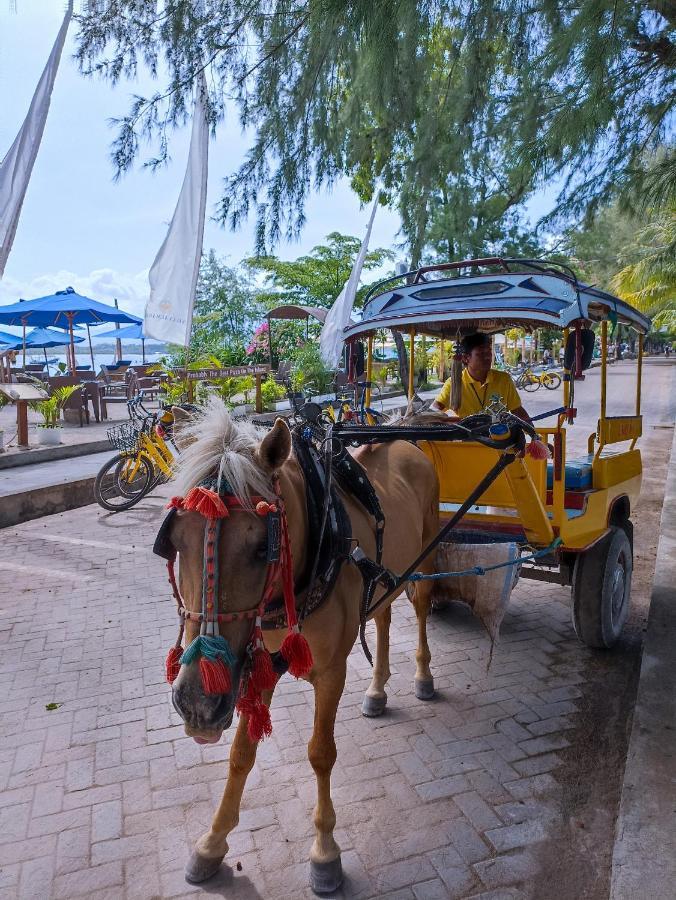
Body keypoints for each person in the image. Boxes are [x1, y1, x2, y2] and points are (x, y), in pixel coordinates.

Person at [432, 332, 530, 420]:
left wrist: (534, 435)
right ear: (466, 358)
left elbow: (517, 410)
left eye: (488, 352)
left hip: (498, 438)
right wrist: (449, 421)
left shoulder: (504, 379)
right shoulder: (454, 383)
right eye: (481, 353)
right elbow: (435, 408)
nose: (488, 357)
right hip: (467, 438)